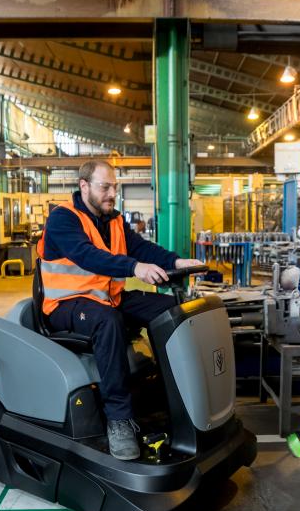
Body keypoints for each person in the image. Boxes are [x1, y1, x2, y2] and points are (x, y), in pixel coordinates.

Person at [37, 160, 202, 460]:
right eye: (105, 187)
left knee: (171, 308)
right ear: (84, 186)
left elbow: (141, 248)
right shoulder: (63, 219)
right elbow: (88, 255)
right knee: (108, 322)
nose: (112, 193)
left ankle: (177, 396)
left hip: (105, 298)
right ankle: (119, 420)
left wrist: (177, 263)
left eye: (115, 187)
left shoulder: (113, 220)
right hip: (66, 305)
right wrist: (134, 268)